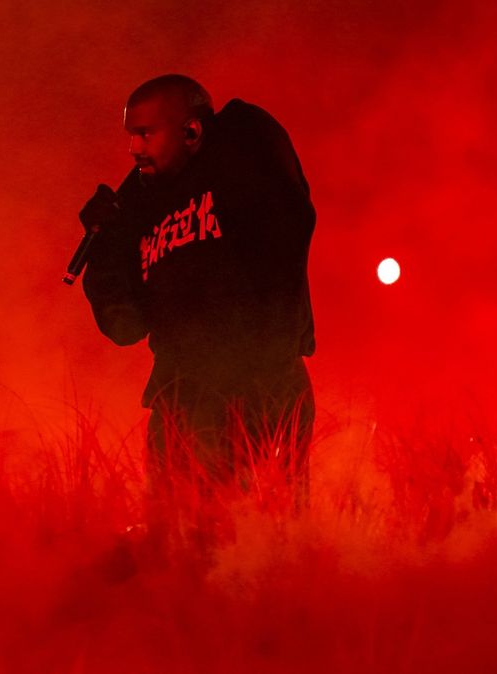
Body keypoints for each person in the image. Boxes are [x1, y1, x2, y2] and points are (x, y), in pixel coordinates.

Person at [78, 74, 316, 547]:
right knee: (177, 543)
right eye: (130, 135)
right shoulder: (141, 211)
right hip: (179, 398)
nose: (133, 148)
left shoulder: (240, 163)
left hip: (261, 383)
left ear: (190, 132)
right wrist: (105, 250)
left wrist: (225, 127)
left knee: (259, 539)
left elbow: (289, 214)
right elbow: (125, 327)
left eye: (145, 133)